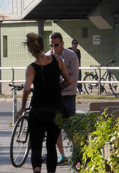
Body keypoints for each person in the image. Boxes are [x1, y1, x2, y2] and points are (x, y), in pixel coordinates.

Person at [17, 33, 72, 173]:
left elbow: (27, 89)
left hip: (38, 111)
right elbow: (68, 81)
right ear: (43, 46)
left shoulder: (31, 68)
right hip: (56, 109)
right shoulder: (57, 60)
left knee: (36, 146)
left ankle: (36, 170)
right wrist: (56, 88)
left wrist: (23, 107)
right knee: (51, 146)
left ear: (30, 50)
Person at [45, 32, 79, 165]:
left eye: (56, 45)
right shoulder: (47, 56)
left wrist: (59, 86)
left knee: (69, 125)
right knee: (55, 126)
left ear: (62, 44)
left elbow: (74, 77)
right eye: (51, 45)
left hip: (68, 95)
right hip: (54, 96)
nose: (53, 48)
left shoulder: (71, 56)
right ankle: (62, 155)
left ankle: (77, 151)